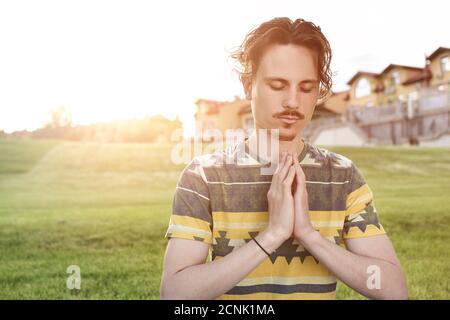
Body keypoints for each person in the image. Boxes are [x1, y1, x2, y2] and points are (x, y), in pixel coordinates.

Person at [160, 17, 407, 300]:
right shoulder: (203, 176)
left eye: (306, 88)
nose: (293, 101)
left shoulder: (342, 176)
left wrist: (309, 235)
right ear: (248, 85)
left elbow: (392, 289)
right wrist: (271, 235)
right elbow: (176, 294)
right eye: (278, 85)